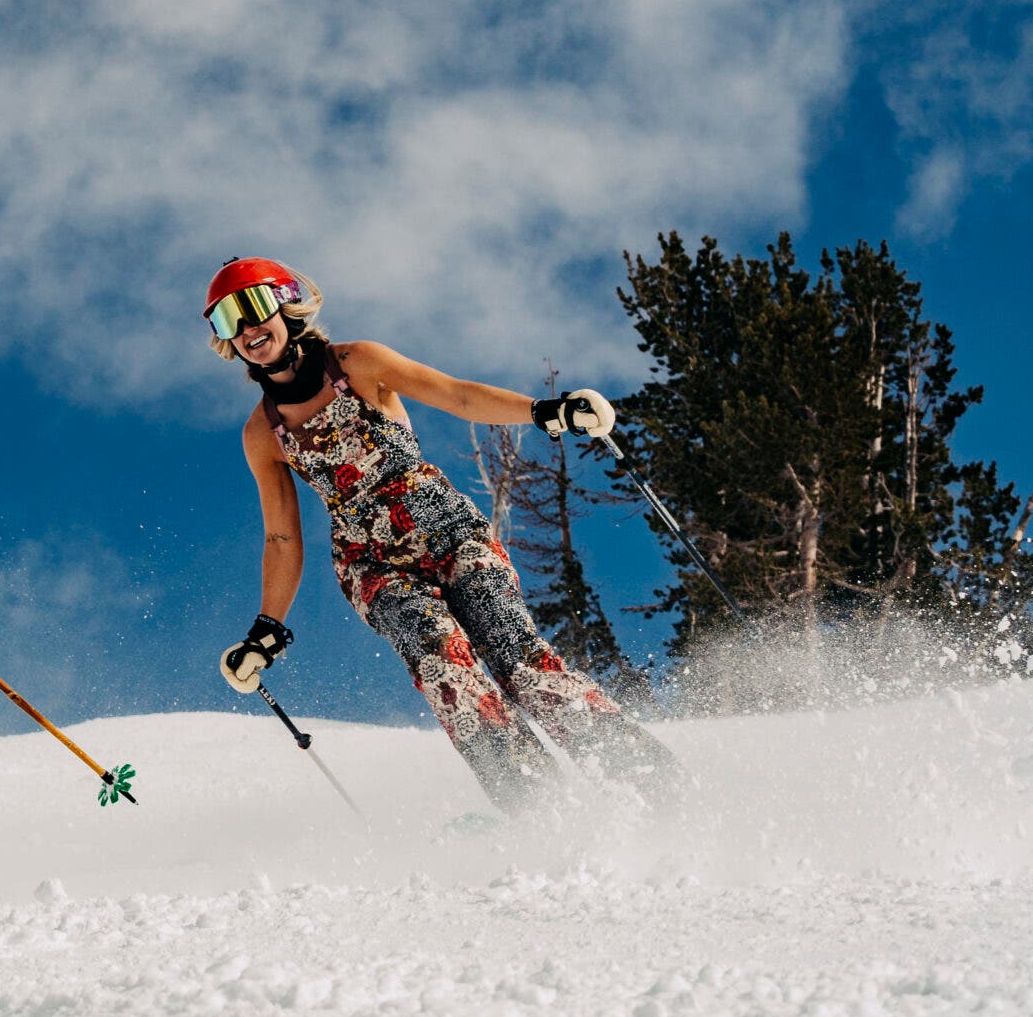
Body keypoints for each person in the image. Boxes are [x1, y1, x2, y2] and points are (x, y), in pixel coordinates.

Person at [205, 257, 678, 811]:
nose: (246, 330)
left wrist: (546, 411)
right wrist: (267, 630)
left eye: (253, 308)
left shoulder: (356, 364)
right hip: (372, 566)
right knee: (444, 666)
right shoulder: (264, 432)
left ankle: (650, 781)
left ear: (285, 304)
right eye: (225, 321)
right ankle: (540, 807)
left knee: (517, 657)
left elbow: (456, 395)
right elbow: (282, 538)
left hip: (446, 529)